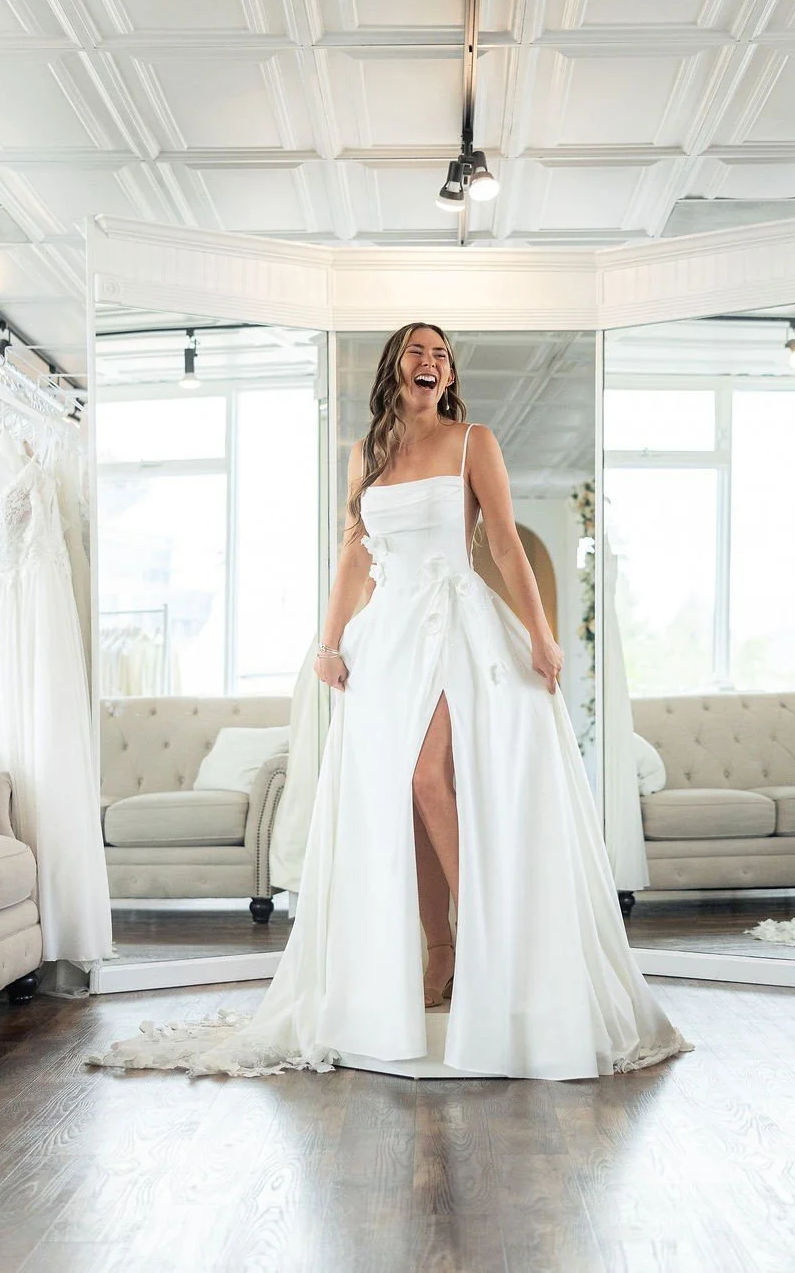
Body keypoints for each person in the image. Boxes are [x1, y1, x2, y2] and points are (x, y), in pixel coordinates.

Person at [87, 323, 691, 1080]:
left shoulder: (474, 441)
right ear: (393, 368)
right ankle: (437, 958)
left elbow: (501, 542)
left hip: (458, 627)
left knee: (426, 778)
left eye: (441, 354)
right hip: (387, 641)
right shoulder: (365, 454)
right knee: (402, 803)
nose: (431, 362)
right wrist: (330, 640)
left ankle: (487, 943)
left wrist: (541, 634)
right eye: (418, 351)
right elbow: (352, 552)